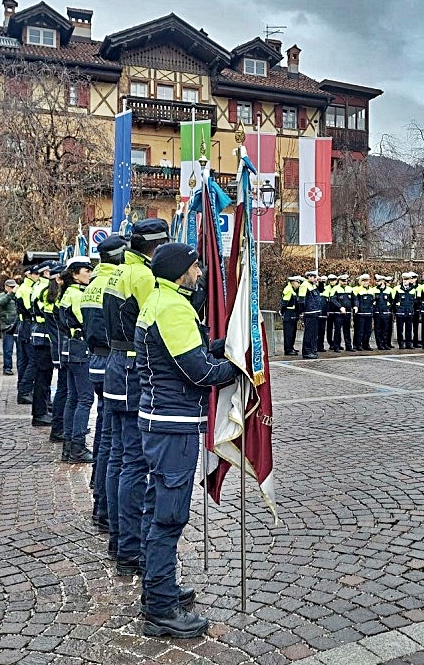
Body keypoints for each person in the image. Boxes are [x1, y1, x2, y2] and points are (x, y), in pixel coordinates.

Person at [135, 242, 240, 638]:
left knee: (156, 509)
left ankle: (157, 590)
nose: (199, 274)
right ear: (181, 271)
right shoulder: (174, 307)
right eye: (195, 268)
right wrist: (237, 367)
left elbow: (185, 353)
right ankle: (161, 609)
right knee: (169, 516)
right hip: (172, 426)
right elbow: (196, 372)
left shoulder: (160, 299)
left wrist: (219, 348)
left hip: (159, 421)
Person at [103, 218, 169, 575]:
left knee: (117, 457)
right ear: (156, 247)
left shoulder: (119, 271)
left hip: (117, 362)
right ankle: (130, 547)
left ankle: (119, 538)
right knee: (133, 461)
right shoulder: (143, 277)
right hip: (131, 367)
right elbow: (156, 322)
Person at [82, 235, 128, 533]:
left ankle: (100, 501)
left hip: (97, 362)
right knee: (112, 441)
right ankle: (105, 510)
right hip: (114, 362)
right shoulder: (117, 282)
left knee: (104, 435)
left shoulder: (92, 284)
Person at [58, 256, 95, 463]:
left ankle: (69, 446)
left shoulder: (68, 293)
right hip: (81, 349)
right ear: (74, 274)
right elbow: (86, 322)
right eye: (86, 270)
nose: (90, 273)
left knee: (73, 398)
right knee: (85, 399)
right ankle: (78, 447)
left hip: (71, 349)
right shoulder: (78, 295)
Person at [30, 261, 56, 428]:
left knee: (44, 375)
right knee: (43, 375)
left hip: (41, 334)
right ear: (46, 273)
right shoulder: (44, 288)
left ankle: (43, 408)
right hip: (43, 335)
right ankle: (39, 413)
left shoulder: (39, 285)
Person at [44, 264, 67, 443]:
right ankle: (59, 428)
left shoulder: (51, 296)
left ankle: (59, 427)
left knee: (63, 390)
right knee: (65, 391)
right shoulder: (60, 299)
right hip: (62, 348)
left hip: (57, 347)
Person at [14, 265, 40, 403]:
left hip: (24, 326)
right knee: (32, 360)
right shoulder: (27, 289)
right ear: (29, 275)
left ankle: (23, 389)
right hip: (27, 326)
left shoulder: (25, 287)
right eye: (36, 274)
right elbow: (31, 309)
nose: (38, 276)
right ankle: (24, 390)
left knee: (24, 360)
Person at [297, 271, 321, 359]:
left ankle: (312, 349)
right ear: (309, 277)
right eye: (313, 277)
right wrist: (302, 312)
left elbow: (320, 292)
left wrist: (320, 282)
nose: (315, 279)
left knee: (314, 333)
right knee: (309, 333)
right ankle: (307, 351)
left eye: (315, 277)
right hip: (309, 312)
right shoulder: (304, 285)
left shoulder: (313, 285)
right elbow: (301, 300)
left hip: (315, 312)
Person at [0, 279, 18, 375]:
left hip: (17, 325)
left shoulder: (17, 295)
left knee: (21, 350)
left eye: (14, 287)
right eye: (11, 287)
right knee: (8, 349)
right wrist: (10, 294)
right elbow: (1, 302)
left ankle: (20, 367)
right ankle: (7, 368)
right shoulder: (2, 295)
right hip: (7, 326)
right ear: (6, 287)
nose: (13, 289)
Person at [330, 274, 354, 352]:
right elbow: (333, 300)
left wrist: (356, 306)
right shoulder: (335, 289)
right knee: (337, 330)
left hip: (347, 313)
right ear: (339, 281)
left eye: (346, 281)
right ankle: (336, 346)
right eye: (343, 281)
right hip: (338, 313)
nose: (345, 282)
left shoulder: (350, 289)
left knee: (347, 330)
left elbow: (354, 299)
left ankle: (349, 346)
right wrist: (340, 307)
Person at [393, 273, 416, 349]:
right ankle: (401, 344)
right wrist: (395, 310)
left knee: (409, 329)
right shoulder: (397, 289)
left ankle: (408, 343)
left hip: (409, 312)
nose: (405, 281)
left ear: (410, 280)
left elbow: (415, 301)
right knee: (400, 329)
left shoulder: (413, 289)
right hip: (400, 312)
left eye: (407, 279)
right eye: (404, 279)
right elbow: (394, 301)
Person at [280, 275, 301, 356]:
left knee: (293, 332)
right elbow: (284, 303)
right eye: (297, 282)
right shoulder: (288, 290)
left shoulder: (293, 290)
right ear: (293, 282)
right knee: (289, 333)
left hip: (293, 313)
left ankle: (291, 347)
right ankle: (288, 349)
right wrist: (284, 313)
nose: (298, 284)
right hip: (289, 313)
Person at [353, 274, 374, 351]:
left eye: (367, 281)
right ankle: (358, 345)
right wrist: (356, 307)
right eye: (363, 281)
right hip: (360, 313)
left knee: (368, 330)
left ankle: (366, 344)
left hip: (369, 312)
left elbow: (373, 301)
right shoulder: (356, 290)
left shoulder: (372, 290)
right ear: (360, 282)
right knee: (359, 330)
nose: (365, 282)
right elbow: (355, 300)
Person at [373, 275, 392, 350]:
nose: (377, 282)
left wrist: (388, 308)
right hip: (377, 312)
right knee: (378, 329)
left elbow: (392, 301)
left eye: (379, 281)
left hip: (385, 312)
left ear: (383, 281)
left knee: (385, 329)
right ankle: (379, 344)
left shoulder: (389, 290)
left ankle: (385, 343)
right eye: (376, 281)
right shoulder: (374, 290)